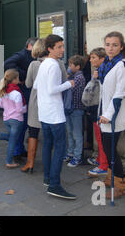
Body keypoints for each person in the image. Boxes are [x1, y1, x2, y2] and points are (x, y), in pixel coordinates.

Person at [33, 34, 76, 200]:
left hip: (44, 112)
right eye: (59, 47)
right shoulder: (54, 65)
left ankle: (48, 178)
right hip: (54, 114)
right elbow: (52, 89)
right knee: (60, 148)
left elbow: (37, 85)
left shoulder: (43, 64)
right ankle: (54, 185)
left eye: (62, 46)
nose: (62, 49)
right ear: (50, 48)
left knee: (47, 145)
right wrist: (69, 84)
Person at [20, 39, 67, 173]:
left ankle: (30, 163)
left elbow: (28, 84)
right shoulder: (59, 64)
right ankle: (51, 167)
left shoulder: (34, 64)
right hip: (52, 104)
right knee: (50, 138)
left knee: (33, 133)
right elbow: (63, 82)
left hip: (36, 102)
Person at [97, 31, 125, 199]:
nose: (110, 48)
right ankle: (111, 177)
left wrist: (108, 115)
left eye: (114, 45)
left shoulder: (123, 65)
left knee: (110, 150)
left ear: (121, 46)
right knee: (107, 148)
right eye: (107, 44)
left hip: (115, 116)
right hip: (104, 114)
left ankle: (119, 185)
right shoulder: (107, 62)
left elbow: (119, 94)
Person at [4, 37, 38, 162]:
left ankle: (20, 149)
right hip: (24, 91)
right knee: (21, 123)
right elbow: (7, 63)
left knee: (24, 123)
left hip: (28, 91)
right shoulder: (22, 55)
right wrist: (23, 75)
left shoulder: (29, 55)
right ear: (30, 45)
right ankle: (17, 150)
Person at [0, 69, 27, 168]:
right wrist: (25, 108)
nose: (19, 79)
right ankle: (9, 162)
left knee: (12, 137)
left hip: (6, 119)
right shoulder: (17, 93)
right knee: (13, 141)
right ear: (14, 79)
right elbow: (20, 110)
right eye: (18, 77)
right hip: (16, 120)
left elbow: (1, 106)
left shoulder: (3, 91)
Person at [85, 47, 108, 177]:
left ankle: (103, 165)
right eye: (91, 57)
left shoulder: (101, 72)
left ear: (102, 59)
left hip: (100, 110)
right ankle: (100, 159)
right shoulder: (98, 71)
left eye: (94, 57)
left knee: (101, 139)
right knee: (99, 137)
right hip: (96, 109)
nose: (91, 60)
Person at [65, 55, 86, 168]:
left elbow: (69, 90)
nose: (69, 67)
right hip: (71, 109)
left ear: (77, 67)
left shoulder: (79, 78)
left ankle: (77, 157)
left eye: (71, 65)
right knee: (70, 132)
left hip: (76, 109)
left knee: (76, 134)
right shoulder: (73, 76)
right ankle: (70, 153)